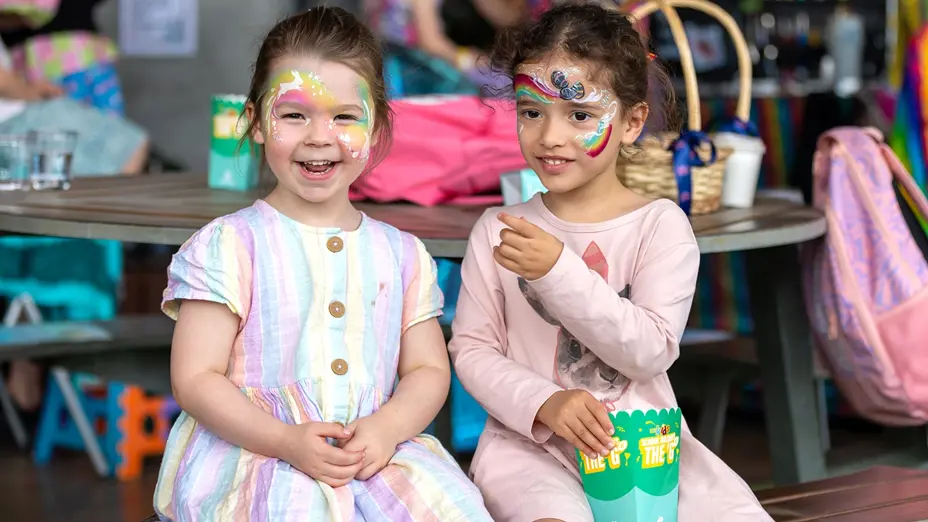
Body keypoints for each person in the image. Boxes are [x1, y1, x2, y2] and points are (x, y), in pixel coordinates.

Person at [152, 7, 492, 521]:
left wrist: (385, 429)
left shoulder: (402, 255)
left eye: (344, 116)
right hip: (258, 454)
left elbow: (426, 368)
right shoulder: (227, 245)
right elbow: (196, 377)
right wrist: (285, 440)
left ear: (377, 126)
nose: (319, 135)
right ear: (255, 121)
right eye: (294, 114)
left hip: (374, 456)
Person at [447, 4, 772, 522]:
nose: (550, 136)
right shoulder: (498, 229)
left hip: (649, 448)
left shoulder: (659, 225)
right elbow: (471, 349)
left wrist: (557, 271)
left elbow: (648, 352)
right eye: (531, 112)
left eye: (580, 115)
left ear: (632, 122)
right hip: (531, 453)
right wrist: (544, 403)